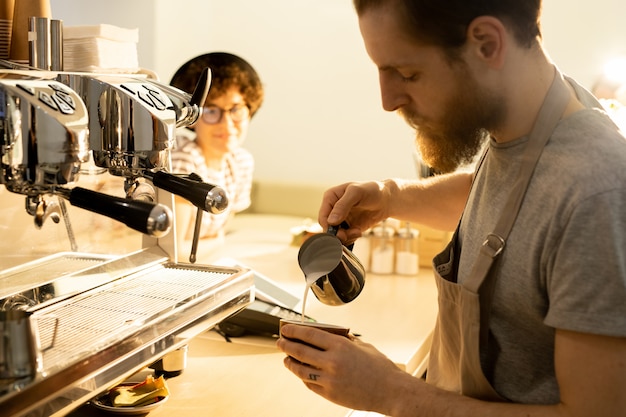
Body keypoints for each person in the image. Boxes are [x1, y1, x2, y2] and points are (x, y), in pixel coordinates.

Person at [277, 1, 626, 416]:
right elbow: (516, 204)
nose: (388, 100)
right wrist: (392, 197)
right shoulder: (530, 125)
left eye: (407, 73)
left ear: (486, 43)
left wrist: (394, 394)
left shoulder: (598, 192)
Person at [169, 52, 264, 250]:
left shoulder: (241, 162)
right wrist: (214, 244)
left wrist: (214, 244)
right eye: (212, 111)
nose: (226, 124)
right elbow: (174, 249)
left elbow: (221, 234)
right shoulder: (184, 159)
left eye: (236, 109)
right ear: (192, 118)